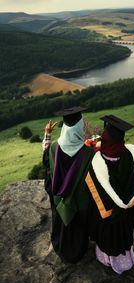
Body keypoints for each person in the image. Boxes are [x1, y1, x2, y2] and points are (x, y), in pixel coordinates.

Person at [85, 112, 134, 274]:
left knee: (109, 236)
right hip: (128, 212)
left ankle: (108, 260)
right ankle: (127, 259)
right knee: (125, 233)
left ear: (104, 142)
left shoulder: (95, 163)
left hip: (108, 217)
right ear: (121, 141)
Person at [42, 106, 94, 263]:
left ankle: (61, 247)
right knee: (79, 226)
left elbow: (47, 166)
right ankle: (79, 249)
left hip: (59, 201)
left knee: (61, 222)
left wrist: (48, 135)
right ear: (79, 128)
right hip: (80, 203)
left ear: (64, 128)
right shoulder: (89, 153)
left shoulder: (53, 149)